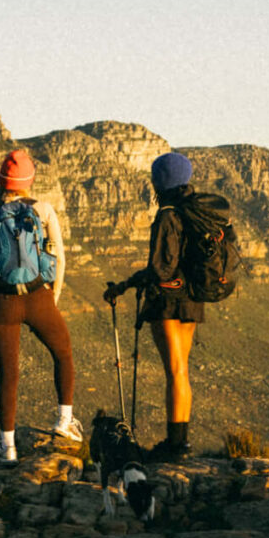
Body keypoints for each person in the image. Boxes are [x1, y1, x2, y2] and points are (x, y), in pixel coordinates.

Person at [0, 148, 77, 464]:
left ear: (1, 179)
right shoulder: (44, 210)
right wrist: (52, 297)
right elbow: (59, 258)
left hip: (3, 301)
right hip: (38, 296)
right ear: (30, 180)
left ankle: (8, 448)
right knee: (63, 353)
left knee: (7, 374)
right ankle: (64, 422)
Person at [104, 151, 206, 460]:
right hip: (192, 300)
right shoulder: (195, 212)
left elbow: (161, 269)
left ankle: (175, 446)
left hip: (168, 303)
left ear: (160, 181)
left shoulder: (168, 215)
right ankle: (181, 441)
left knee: (174, 371)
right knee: (182, 371)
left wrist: (126, 285)